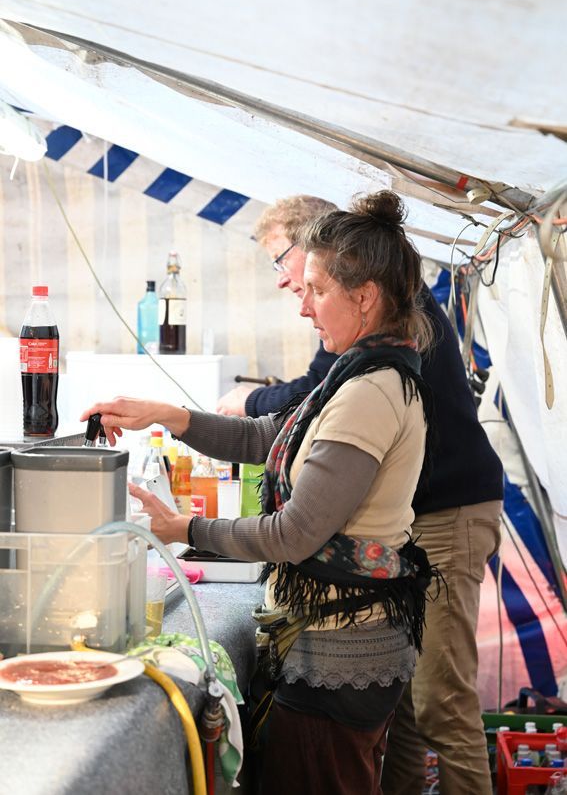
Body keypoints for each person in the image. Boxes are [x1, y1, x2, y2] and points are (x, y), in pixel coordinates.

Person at [82, 191, 436, 795]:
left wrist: (184, 529)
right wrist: (168, 414)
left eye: (316, 290)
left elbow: (295, 533)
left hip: (342, 649)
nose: (304, 307)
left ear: (365, 297)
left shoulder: (370, 392)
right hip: (339, 638)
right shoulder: (358, 372)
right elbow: (269, 435)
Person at [217, 194, 504, 795]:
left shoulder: (378, 335)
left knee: (440, 704)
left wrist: (246, 404)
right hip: (420, 517)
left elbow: (307, 408)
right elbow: (311, 405)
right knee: (406, 709)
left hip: (448, 513)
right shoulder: (361, 323)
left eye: (284, 261)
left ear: (326, 252)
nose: (286, 285)